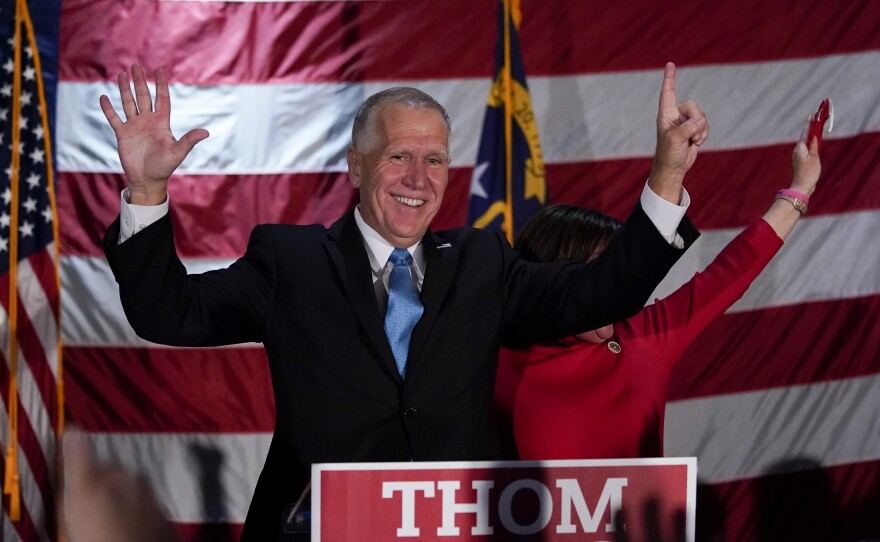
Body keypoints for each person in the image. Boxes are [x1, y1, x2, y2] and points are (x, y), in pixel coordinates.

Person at [99, 62, 706, 540]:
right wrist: (148, 190)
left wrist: (666, 177)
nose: (419, 178)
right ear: (356, 167)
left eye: (435, 159)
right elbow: (168, 313)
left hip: (458, 533)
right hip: (316, 532)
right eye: (399, 156)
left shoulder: (482, 262)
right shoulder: (291, 261)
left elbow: (603, 291)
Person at [494, 118, 821, 460]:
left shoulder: (642, 338)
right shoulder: (483, 351)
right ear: (555, 276)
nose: (618, 290)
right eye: (604, 274)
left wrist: (800, 188)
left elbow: (731, 272)